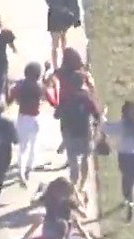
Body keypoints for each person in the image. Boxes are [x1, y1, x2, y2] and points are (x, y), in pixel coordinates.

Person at [53, 71, 102, 202]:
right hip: (85, 132)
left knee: (73, 159)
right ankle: (82, 184)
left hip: (70, 133)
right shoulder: (87, 97)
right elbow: (97, 114)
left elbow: (56, 115)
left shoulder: (66, 97)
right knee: (86, 158)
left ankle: (73, 183)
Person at [7, 61, 52, 184]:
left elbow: (9, 100)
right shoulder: (41, 87)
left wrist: (8, 89)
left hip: (23, 117)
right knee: (34, 144)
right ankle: (29, 167)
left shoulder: (20, 85)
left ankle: (20, 170)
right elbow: (54, 102)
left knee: (23, 147)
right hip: (35, 119)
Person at [45, 0, 82, 68]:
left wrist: (76, 17)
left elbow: (74, 3)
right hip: (55, 16)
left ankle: (65, 63)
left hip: (64, 16)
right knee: (55, 43)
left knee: (63, 39)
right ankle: (55, 66)